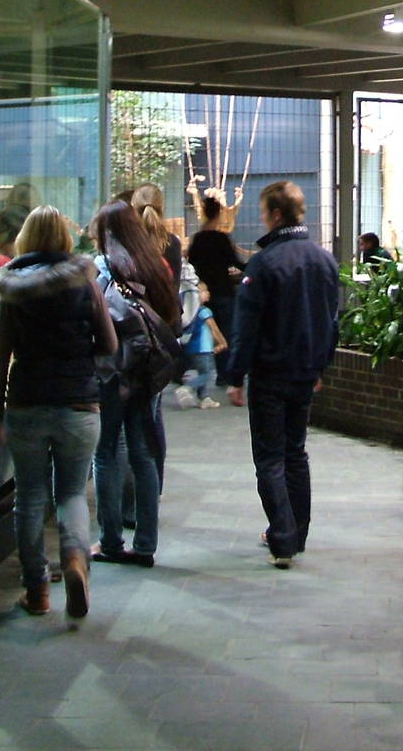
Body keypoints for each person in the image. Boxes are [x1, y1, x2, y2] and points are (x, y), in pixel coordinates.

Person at [0, 205, 113, 618]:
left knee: (30, 496)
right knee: (73, 491)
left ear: (25, 237)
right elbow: (109, 343)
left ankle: (36, 590)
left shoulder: (12, 287)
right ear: (63, 237)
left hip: (27, 403)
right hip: (78, 404)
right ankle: (75, 559)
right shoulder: (84, 282)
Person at [226, 181, 340, 569]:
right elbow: (332, 321)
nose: (260, 218)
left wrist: (236, 375)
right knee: (296, 452)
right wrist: (321, 365)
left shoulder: (264, 263)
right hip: (305, 372)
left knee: (271, 456)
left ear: (275, 214)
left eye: (262, 212)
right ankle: (298, 531)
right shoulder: (325, 261)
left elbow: (248, 326)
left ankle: (283, 538)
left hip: (270, 373)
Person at [90, 199, 181, 567]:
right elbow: (174, 320)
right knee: (144, 454)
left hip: (112, 373)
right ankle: (146, 544)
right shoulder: (156, 267)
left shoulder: (102, 270)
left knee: (106, 453)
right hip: (147, 374)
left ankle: (110, 540)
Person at [187, 191, 246, 385]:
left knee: (204, 334)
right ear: (219, 213)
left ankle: (200, 374)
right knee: (227, 332)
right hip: (224, 291)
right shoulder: (222, 239)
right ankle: (224, 374)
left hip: (204, 294)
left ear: (203, 212)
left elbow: (192, 265)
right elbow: (236, 262)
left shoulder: (197, 240)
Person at [175, 280, 226, 410]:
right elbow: (213, 328)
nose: (207, 293)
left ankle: (204, 398)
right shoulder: (204, 311)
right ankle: (187, 388)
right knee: (207, 373)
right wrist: (222, 342)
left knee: (202, 371)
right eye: (203, 291)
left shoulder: (189, 312)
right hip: (203, 348)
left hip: (190, 347)